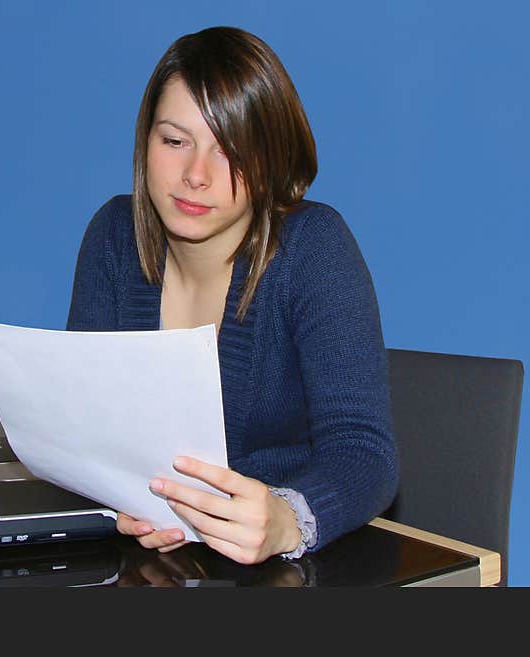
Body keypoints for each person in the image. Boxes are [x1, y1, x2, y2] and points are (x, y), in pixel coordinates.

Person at [66, 26, 399, 564]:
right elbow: (86, 426)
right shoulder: (113, 237)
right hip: (157, 560)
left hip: (289, 570)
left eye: (231, 151)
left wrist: (287, 519)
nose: (195, 175)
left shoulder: (313, 249)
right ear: (144, 141)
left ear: (272, 160)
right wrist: (118, 500)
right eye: (174, 141)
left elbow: (364, 453)